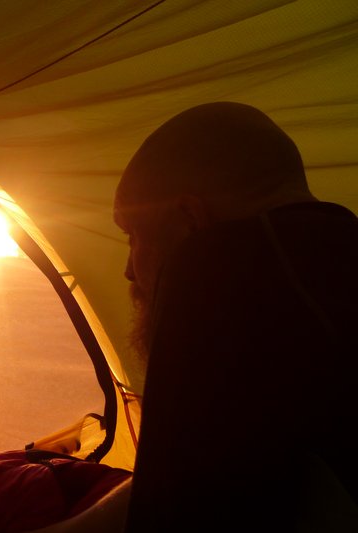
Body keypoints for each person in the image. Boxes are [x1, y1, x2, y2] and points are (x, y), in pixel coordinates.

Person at [106, 102, 358, 531]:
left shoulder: (220, 272)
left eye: (134, 235)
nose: (129, 270)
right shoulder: (337, 257)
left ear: (189, 220)